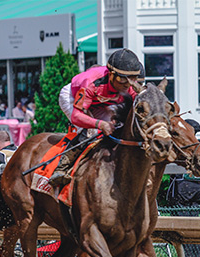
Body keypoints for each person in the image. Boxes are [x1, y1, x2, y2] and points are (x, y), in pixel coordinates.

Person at [48, 48, 143, 187]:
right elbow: (76, 116)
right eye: (123, 79)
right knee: (91, 131)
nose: (128, 85)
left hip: (101, 101)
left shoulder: (130, 85)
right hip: (72, 97)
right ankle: (62, 168)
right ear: (111, 75)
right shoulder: (90, 82)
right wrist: (100, 124)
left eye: (132, 79)